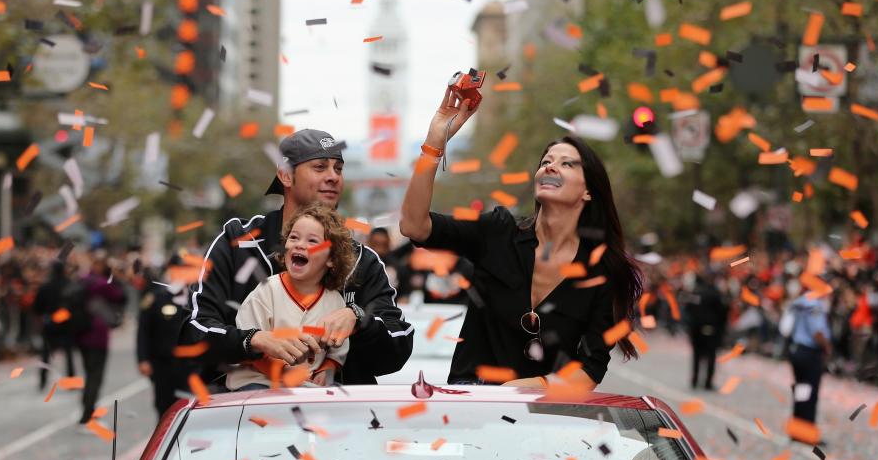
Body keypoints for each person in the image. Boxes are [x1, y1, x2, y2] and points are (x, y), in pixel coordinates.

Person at [400, 85, 643, 389]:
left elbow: (589, 371)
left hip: (544, 423)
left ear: (588, 191)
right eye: (546, 161)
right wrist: (435, 141)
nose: (550, 165)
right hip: (473, 416)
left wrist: (517, 392)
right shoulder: (497, 230)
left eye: (567, 163)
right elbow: (413, 225)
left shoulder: (602, 269)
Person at [181, 128, 413, 386]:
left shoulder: (361, 259)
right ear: (286, 175)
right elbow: (192, 331)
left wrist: (358, 318)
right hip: (246, 414)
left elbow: (398, 348)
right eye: (319, 167)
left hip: (339, 416)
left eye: (338, 168)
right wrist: (253, 340)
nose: (333, 177)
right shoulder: (239, 241)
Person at [227, 205, 356, 391]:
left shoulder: (335, 301)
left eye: (312, 241)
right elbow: (249, 347)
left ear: (331, 259)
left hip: (308, 391)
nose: (300, 244)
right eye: (293, 237)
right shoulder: (266, 291)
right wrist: (285, 373)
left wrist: (327, 370)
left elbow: (337, 350)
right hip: (257, 386)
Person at [137, 256, 191, 419]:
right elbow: (144, 330)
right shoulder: (157, 297)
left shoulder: (196, 295)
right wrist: (143, 359)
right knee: (164, 407)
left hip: (191, 364)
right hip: (163, 364)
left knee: (190, 407)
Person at [76, 254, 127, 424]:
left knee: (89, 373)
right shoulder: (102, 284)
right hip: (97, 335)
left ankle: (86, 408)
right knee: (95, 376)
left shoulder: (82, 280)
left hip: (81, 333)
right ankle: (87, 414)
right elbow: (121, 296)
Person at [786, 291, 832, 440]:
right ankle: (805, 433)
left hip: (797, 349)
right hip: (809, 352)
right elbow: (817, 332)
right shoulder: (814, 304)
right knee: (810, 395)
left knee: (801, 392)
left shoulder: (801, 301)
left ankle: (797, 430)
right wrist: (827, 347)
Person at [31, 261, 77, 391]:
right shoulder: (69, 285)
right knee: (68, 354)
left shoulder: (46, 286)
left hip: (50, 323)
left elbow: (37, 307)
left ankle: (42, 381)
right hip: (66, 323)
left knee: (46, 354)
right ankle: (71, 381)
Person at [684, 270, 728, 390]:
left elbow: (687, 309)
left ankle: (695, 380)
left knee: (696, 355)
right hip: (710, 328)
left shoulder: (694, 292)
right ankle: (707, 382)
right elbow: (722, 312)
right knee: (710, 356)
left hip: (695, 328)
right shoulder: (715, 293)